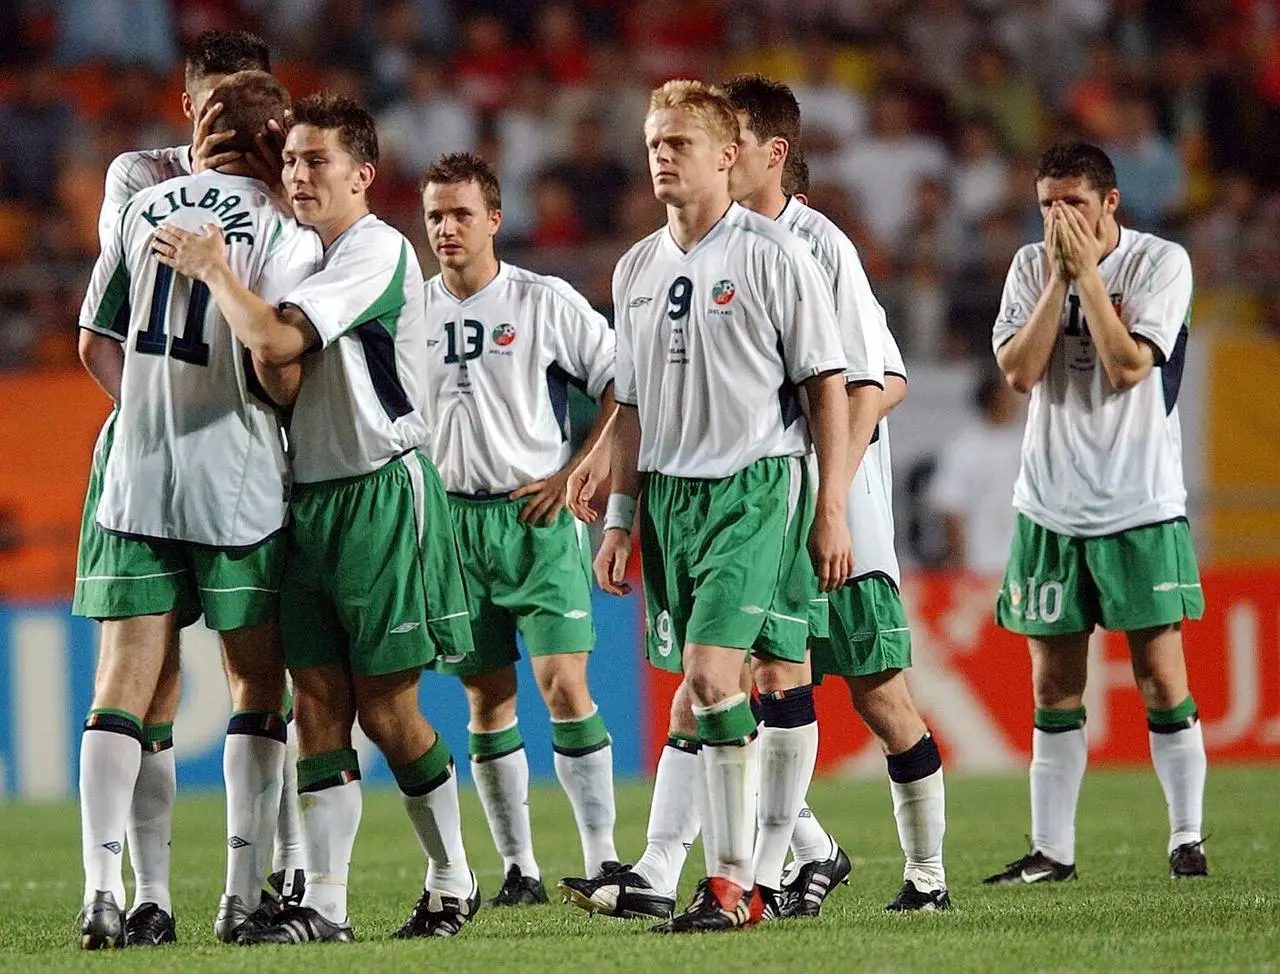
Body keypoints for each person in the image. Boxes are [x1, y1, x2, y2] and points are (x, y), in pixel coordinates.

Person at [153, 92, 480, 944]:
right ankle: (323, 907)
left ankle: (453, 878)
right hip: (307, 497)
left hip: (381, 489)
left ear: (363, 176)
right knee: (318, 706)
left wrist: (215, 270)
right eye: (290, 161)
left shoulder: (375, 252)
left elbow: (276, 343)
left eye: (317, 162)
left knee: (389, 711)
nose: (300, 175)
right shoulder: (300, 253)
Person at [582, 79, 853, 933]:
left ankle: (733, 883)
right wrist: (621, 517)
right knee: (711, 688)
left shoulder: (774, 255)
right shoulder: (635, 268)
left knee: (711, 677)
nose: (662, 156)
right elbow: (627, 405)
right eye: (654, 142)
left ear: (727, 155)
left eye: (680, 144)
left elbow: (828, 387)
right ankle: (744, 869)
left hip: (755, 487)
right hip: (668, 498)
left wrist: (832, 506)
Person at [73, 70, 320, 949]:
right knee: (256, 682)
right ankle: (242, 898)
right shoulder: (289, 227)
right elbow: (279, 362)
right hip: (239, 483)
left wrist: (142, 411)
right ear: (276, 135)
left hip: (137, 475)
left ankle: (110, 894)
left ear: (203, 120)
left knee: (125, 690)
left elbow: (91, 335)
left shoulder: (145, 204)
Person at [985, 142, 1207, 885]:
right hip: (1048, 505)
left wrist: (1087, 278)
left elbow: (1125, 367)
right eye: (1047, 203)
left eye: (1073, 202)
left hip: (1139, 501)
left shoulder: (1160, 264)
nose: (1058, 217)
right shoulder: (1028, 268)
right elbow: (1018, 371)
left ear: (1110, 203)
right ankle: (1053, 851)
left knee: (1158, 675)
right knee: (1054, 686)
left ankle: (1186, 837)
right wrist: (1060, 279)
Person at [419, 152, 620, 905]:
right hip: (452, 525)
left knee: (564, 684)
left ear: (494, 219)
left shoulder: (542, 301)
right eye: (436, 214)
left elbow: (618, 383)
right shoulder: (412, 310)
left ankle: (602, 860)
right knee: (485, 697)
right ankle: (519, 870)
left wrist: (578, 470)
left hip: (533, 519)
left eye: (461, 213)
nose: (446, 227)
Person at [929, 369, 1024, 576]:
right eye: (1010, 390)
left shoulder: (1030, 443)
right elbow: (951, 506)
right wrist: (960, 561)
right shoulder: (964, 447)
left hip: (1023, 566)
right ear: (995, 397)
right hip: (980, 564)